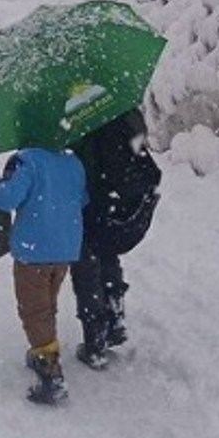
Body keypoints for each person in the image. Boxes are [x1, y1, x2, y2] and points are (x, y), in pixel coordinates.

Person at [0, 146, 87, 405]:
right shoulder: (73, 161)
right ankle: (43, 347)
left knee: (34, 309)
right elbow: (81, 198)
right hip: (65, 247)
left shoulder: (29, 161)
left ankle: (50, 373)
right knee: (47, 303)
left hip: (35, 249)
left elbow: (9, 197)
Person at [69, 108, 162, 369]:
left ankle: (95, 341)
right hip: (126, 202)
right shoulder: (120, 105)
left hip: (96, 200)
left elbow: (77, 162)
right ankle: (115, 318)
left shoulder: (76, 115)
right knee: (107, 252)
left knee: (86, 266)